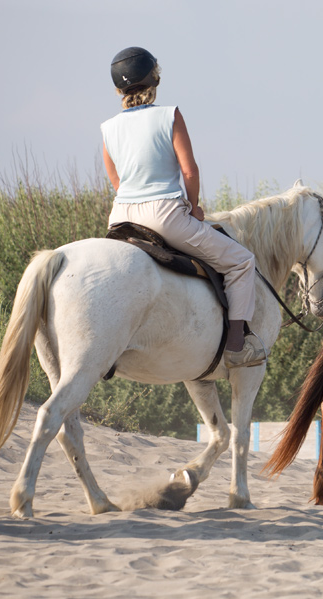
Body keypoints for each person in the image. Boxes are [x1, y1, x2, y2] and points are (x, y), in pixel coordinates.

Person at [101, 47, 265, 369]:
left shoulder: (108, 128)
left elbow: (116, 180)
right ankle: (236, 348)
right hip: (164, 215)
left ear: (119, 89)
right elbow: (189, 171)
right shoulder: (169, 115)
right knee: (242, 262)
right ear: (154, 80)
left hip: (120, 217)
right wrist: (193, 208)